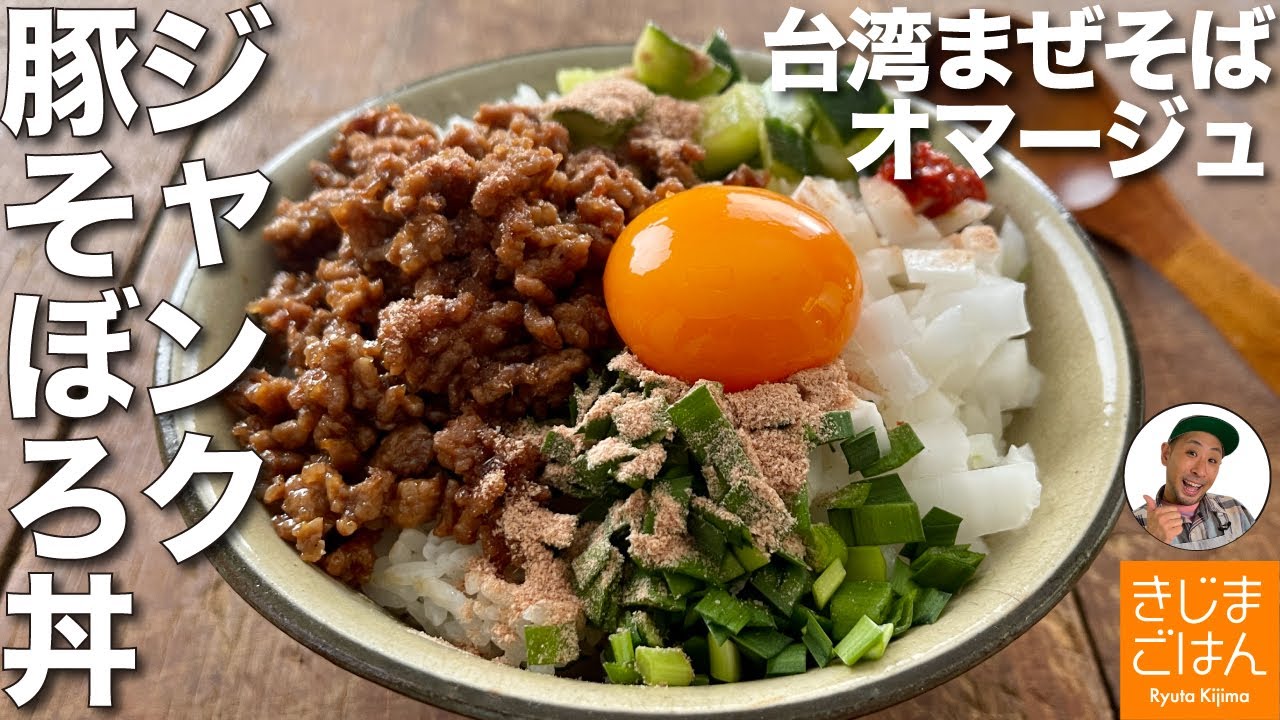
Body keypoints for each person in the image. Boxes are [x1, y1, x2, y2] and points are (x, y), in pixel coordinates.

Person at [1133, 414, 1256, 550]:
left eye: (1212, 460)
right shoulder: (1134, 524)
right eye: (1192, 453)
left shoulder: (1235, 510)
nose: (1200, 471)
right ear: (1166, 454)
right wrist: (1152, 543)